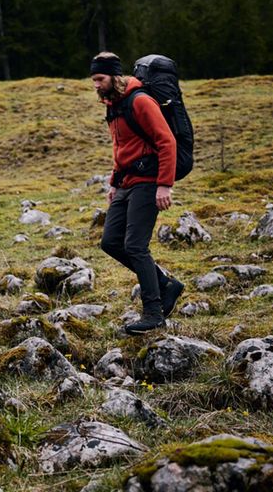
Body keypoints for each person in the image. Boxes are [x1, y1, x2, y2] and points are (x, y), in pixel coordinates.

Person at [91, 51, 185, 334]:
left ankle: (154, 312)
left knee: (135, 246)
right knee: (110, 242)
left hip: (148, 180)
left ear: (114, 76)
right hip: (127, 181)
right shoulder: (113, 105)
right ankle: (167, 285)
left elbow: (166, 141)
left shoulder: (140, 101)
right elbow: (121, 148)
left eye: (100, 78)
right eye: (93, 79)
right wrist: (113, 182)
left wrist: (164, 184)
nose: (95, 84)